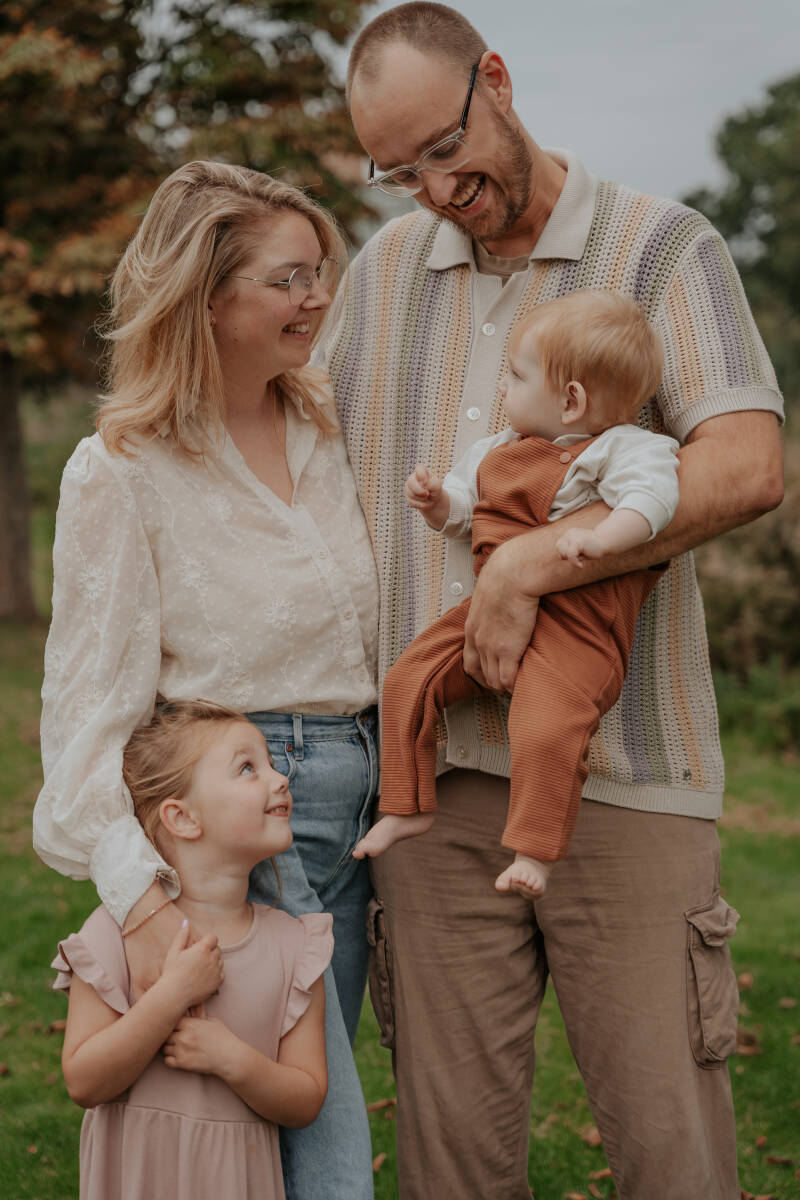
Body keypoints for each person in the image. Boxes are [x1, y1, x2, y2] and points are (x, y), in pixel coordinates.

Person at [324, 4, 785, 1198]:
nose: (430, 187)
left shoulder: (658, 246)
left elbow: (744, 466)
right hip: (423, 803)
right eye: (396, 167)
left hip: (624, 780)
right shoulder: (375, 276)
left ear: (496, 79)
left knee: (667, 1153)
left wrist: (535, 561)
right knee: (447, 1167)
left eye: (443, 147)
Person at [33, 160, 378, 1200]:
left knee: (284, 1098)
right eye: (287, 279)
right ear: (207, 297)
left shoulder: (330, 429)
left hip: (370, 804)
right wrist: (144, 902)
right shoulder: (125, 466)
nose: (317, 297)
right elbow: (87, 709)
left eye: (320, 272)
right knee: (324, 1151)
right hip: (242, 810)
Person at [354, 290, 680, 900]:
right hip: (487, 615)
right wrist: (437, 503)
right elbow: (465, 512)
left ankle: (535, 849)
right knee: (408, 680)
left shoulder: (625, 447)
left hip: (578, 626)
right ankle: (407, 802)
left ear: (572, 399)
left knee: (548, 727)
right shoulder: (497, 450)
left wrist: (604, 536)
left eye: (517, 375)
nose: (504, 387)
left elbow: (652, 501)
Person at [52, 700, 333, 1200]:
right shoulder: (114, 933)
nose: (280, 778)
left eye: (270, 762)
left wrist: (232, 1059)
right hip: (135, 1177)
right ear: (182, 817)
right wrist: (170, 995)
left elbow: (306, 1099)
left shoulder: (296, 946)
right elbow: (84, 1082)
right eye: (249, 768)